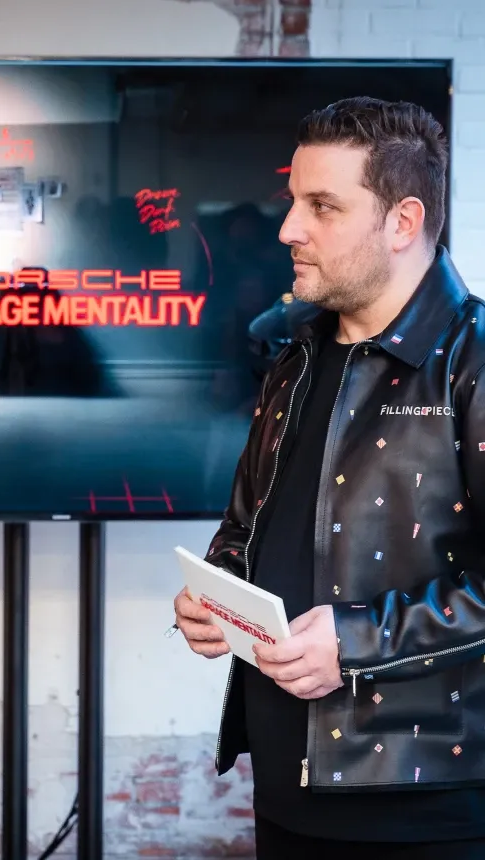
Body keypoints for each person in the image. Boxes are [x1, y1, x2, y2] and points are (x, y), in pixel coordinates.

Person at [173, 97, 485, 858]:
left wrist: (354, 641)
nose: (288, 229)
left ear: (403, 222)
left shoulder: (473, 363)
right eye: (292, 202)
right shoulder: (294, 352)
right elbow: (248, 524)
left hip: (423, 806)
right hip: (285, 786)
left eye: (323, 206)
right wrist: (215, 590)